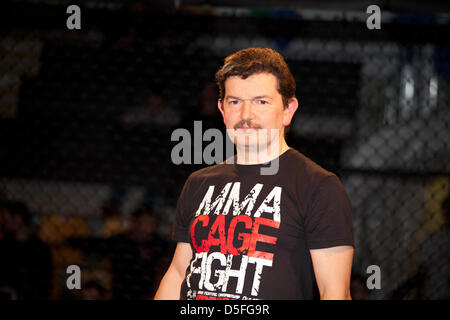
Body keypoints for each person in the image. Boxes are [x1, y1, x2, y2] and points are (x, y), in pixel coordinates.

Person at [154, 48, 354, 300]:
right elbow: (178, 273)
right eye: (235, 102)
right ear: (222, 109)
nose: (246, 115)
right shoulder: (199, 183)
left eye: (261, 101)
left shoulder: (318, 186)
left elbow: (335, 292)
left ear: (288, 109)